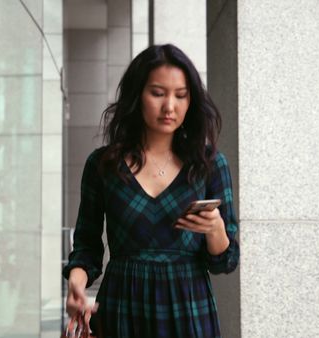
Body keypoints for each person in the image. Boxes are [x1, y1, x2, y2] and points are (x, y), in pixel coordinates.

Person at [62, 44, 239, 338]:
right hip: (123, 306)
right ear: (136, 96)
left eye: (181, 95)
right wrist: (76, 284)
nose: (170, 106)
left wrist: (215, 228)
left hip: (188, 308)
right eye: (158, 93)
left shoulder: (209, 163)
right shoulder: (103, 165)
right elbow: (86, 248)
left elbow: (226, 261)